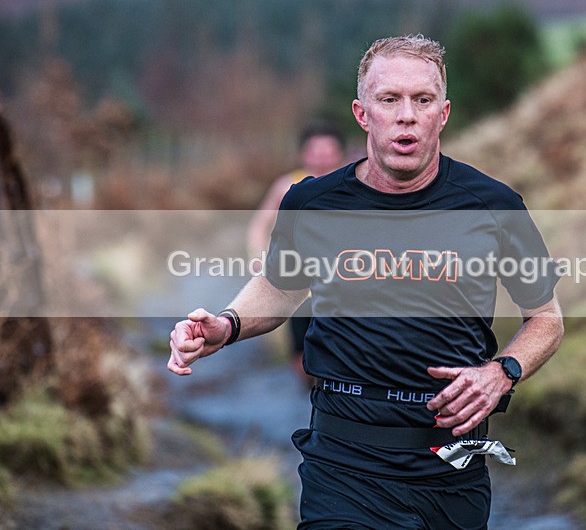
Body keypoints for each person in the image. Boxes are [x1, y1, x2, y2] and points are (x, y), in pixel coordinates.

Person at [169, 34, 564, 529]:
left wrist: (502, 372)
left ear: (443, 114)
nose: (406, 116)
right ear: (362, 114)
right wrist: (226, 325)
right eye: (389, 99)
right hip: (341, 463)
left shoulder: (494, 206)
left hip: (448, 468)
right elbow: (280, 288)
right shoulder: (312, 203)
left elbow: (546, 318)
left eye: (423, 100)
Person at [247, 122, 346, 386]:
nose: (322, 157)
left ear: (339, 153)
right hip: (299, 285)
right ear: (304, 153)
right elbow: (260, 224)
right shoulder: (287, 186)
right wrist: (258, 258)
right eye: (316, 150)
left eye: (328, 150)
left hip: (340, 286)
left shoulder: (353, 185)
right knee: (301, 361)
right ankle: (307, 395)